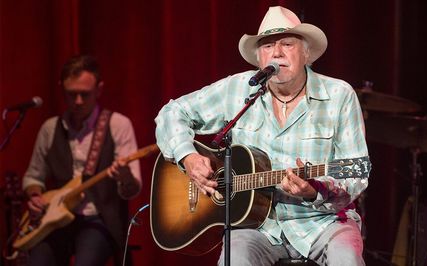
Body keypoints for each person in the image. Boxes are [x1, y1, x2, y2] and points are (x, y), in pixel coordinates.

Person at [155, 6, 370, 266]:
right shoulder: (239, 89)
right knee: (234, 259)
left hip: (324, 222)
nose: (277, 53)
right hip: (256, 226)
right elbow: (171, 112)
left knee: (346, 257)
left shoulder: (339, 95)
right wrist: (187, 156)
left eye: (287, 44)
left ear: (306, 53)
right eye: (268, 46)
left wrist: (315, 191)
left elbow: (356, 174)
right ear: (259, 58)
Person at [22, 55, 142, 266]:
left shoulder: (118, 125)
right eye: (71, 94)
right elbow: (34, 176)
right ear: (62, 89)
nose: (78, 101)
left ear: (99, 89)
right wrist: (34, 196)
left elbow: (132, 190)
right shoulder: (50, 128)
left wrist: (125, 177)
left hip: (98, 219)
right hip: (55, 219)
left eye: (84, 94)